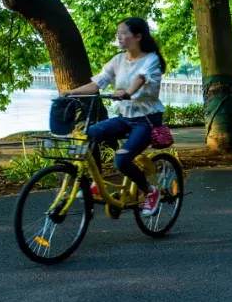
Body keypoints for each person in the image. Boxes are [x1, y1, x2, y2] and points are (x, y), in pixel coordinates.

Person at [64, 17, 166, 216]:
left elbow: (141, 78)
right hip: (124, 117)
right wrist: (70, 93)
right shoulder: (118, 60)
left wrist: (127, 92)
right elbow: (96, 84)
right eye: (117, 34)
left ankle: (150, 192)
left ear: (138, 36)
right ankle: (97, 183)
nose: (119, 37)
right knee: (89, 134)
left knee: (121, 161)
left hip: (146, 120)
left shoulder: (151, 59)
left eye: (124, 33)